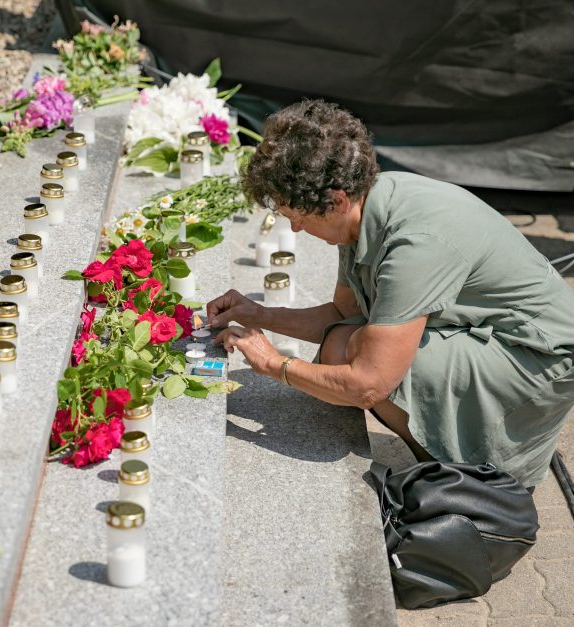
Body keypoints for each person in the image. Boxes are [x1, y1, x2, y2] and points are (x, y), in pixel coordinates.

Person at [207, 99, 574, 488]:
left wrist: (273, 365)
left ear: (336, 201)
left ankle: (475, 487)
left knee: (361, 359)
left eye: (296, 215)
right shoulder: (360, 210)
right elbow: (341, 314)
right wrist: (259, 315)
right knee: (341, 344)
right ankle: (444, 467)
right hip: (498, 333)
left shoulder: (415, 243)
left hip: (538, 358)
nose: (295, 228)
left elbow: (369, 383)